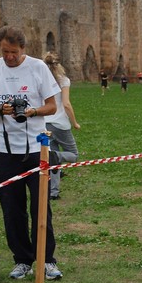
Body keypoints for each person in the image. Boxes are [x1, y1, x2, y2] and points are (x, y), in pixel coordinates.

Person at [0, 25, 63, 281]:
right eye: (4, 51)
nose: (9, 57)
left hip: (37, 150)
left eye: (13, 52)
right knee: (12, 209)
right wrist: (2, 109)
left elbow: (51, 106)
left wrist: (31, 112)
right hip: (4, 150)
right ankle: (22, 259)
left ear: (23, 49)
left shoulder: (37, 68)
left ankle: (47, 260)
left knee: (41, 207)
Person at [43, 51, 80, 200]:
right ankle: (57, 156)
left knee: (52, 161)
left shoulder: (42, 81)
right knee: (73, 155)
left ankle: (53, 192)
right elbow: (66, 104)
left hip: (44, 124)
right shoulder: (63, 80)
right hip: (60, 124)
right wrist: (75, 123)